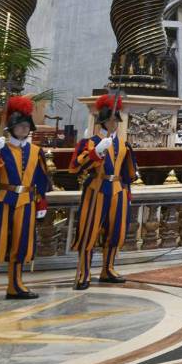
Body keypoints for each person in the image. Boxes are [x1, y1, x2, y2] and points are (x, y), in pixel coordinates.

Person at [0, 96, 52, 308]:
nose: (23, 129)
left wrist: (41, 204)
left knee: (21, 245)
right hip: (3, 200)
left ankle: (16, 285)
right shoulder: (0, 148)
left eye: (26, 126)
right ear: (11, 127)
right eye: (19, 126)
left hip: (27, 202)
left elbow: (41, 180)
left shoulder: (35, 151)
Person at [71, 93, 137, 290]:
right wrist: (96, 152)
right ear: (102, 122)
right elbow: (75, 166)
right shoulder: (89, 142)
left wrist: (128, 192)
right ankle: (84, 271)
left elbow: (128, 172)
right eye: (109, 121)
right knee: (89, 230)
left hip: (117, 190)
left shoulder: (124, 144)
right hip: (96, 190)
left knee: (115, 231)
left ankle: (108, 268)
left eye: (115, 120)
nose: (113, 124)